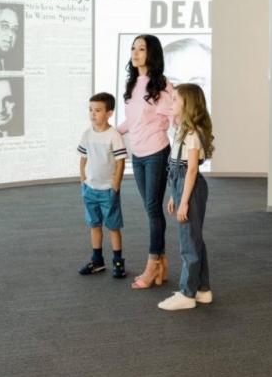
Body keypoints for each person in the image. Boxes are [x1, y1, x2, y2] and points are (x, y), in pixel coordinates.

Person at [117, 34, 174, 289]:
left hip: (156, 152)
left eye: (142, 49)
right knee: (150, 209)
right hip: (137, 155)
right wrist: (110, 132)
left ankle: (152, 265)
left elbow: (173, 116)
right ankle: (162, 261)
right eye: (133, 48)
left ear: (152, 54)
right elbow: (132, 122)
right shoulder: (132, 85)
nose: (136, 53)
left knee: (152, 209)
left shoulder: (162, 86)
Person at [158, 83, 214, 311]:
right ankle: (202, 289)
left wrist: (183, 202)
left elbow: (191, 170)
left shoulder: (192, 134)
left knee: (188, 243)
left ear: (187, 104)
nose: (171, 104)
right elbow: (177, 168)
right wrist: (175, 195)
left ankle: (187, 293)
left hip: (190, 188)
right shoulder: (182, 130)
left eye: (175, 100)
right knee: (194, 239)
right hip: (181, 185)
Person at [76, 92, 128, 278]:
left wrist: (115, 186)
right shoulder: (87, 134)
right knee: (94, 225)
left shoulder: (114, 135)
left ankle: (118, 262)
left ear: (109, 113)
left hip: (108, 191)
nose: (93, 114)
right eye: (90, 110)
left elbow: (121, 162)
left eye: (97, 110)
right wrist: (83, 180)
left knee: (113, 227)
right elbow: (83, 158)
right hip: (90, 189)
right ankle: (97, 261)